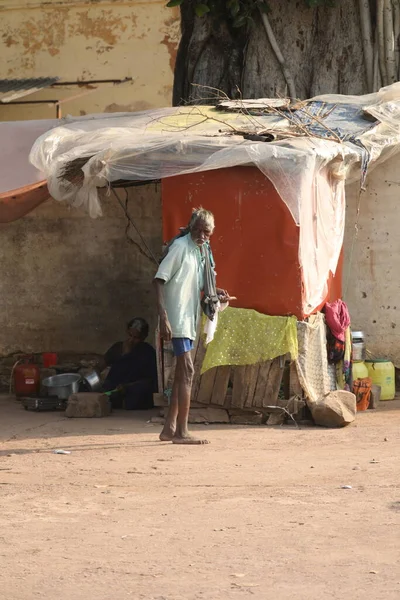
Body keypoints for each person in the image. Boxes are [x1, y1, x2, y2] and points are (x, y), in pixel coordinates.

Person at [154, 208, 229, 444]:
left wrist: (216, 292)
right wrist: (163, 317)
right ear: (191, 227)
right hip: (176, 318)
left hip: (188, 318)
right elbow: (157, 280)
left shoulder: (200, 252)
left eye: (207, 233)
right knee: (187, 370)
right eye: (199, 230)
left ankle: (169, 429)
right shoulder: (180, 247)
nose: (203, 236)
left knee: (181, 374)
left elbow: (197, 283)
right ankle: (182, 432)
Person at [103, 317, 157, 410]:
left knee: (140, 392)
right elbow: (108, 366)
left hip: (133, 388)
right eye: (130, 335)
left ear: (144, 337)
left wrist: (128, 386)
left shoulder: (148, 352)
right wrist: (124, 354)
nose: (131, 340)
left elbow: (150, 378)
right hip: (116, 387)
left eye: (136, 338)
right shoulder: (118, 347)